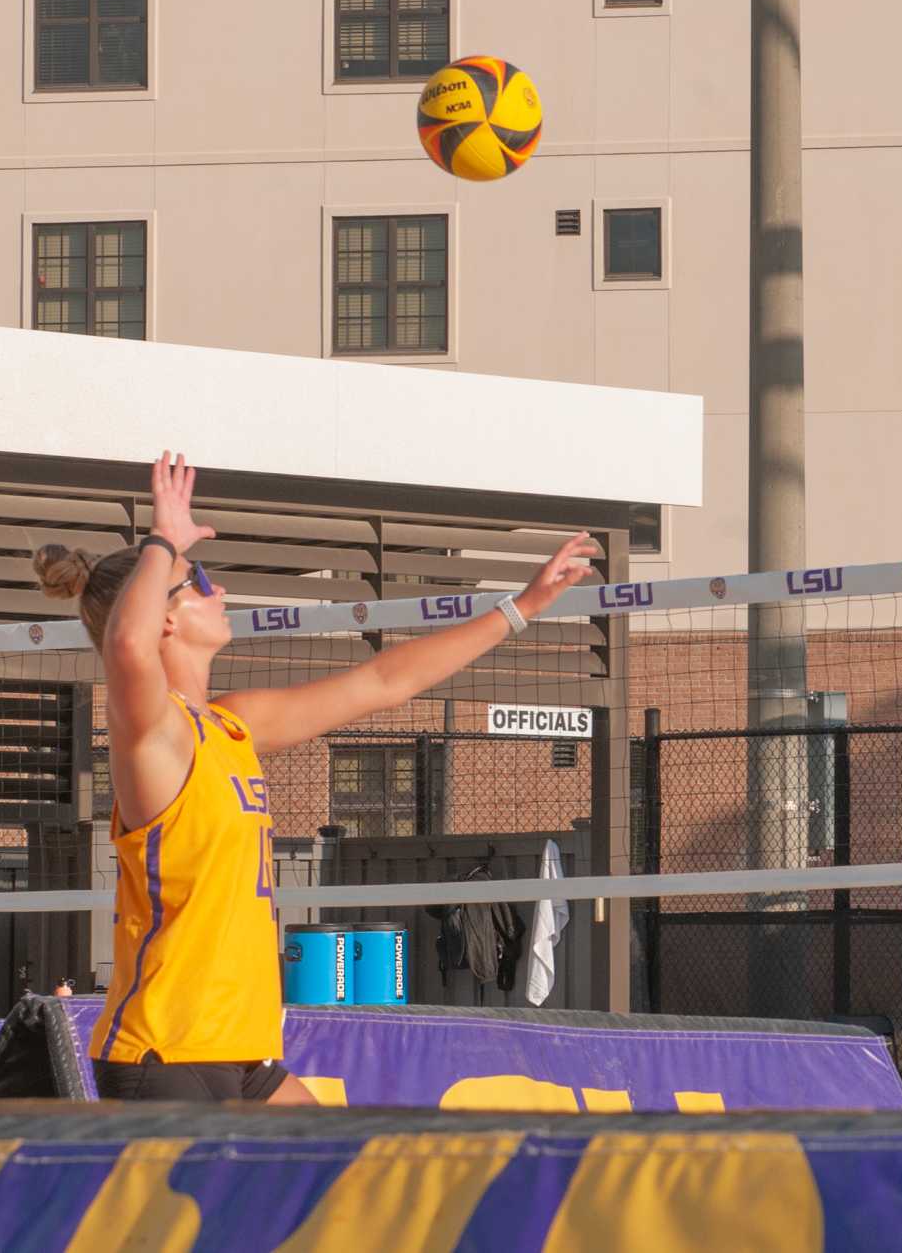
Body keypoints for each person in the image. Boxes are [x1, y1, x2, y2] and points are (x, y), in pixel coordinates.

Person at [33, 452, 596, 1103]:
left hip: (238, 1050)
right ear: (164, 614)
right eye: (202, 580)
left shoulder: (231, 724)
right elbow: (127, 648)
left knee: (345, 1180)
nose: (221, 592)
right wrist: (164, 540)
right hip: (165, 1053)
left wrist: (521, 606)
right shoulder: (153, 736)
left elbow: (384, 681)